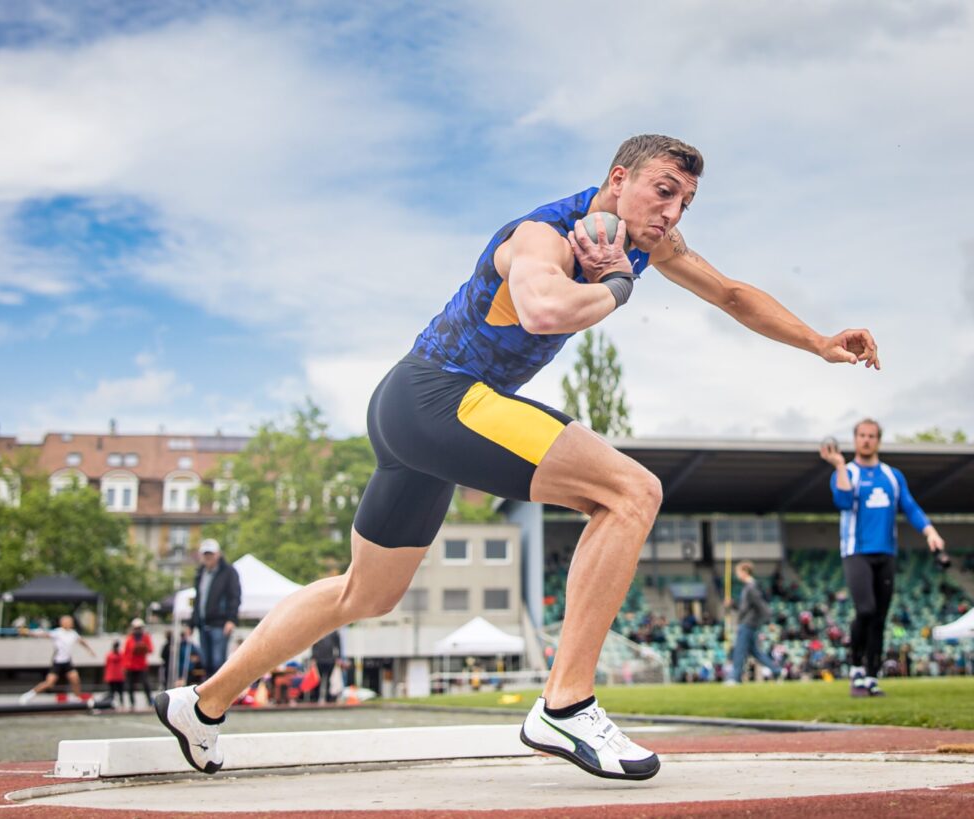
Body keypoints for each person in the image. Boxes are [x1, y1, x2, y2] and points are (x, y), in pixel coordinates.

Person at [156, 133, 880, 779]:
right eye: (664, 190)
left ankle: (201, 702)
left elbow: (729, 293)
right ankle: (566, 702)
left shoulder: (649, 242)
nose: (673, 213)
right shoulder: (543, 235)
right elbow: (541, 310)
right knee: (631, 493)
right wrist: (618, 285)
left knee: (363, 593)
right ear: (617, 178)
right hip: (436, 397)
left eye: (686, 202)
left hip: (417, 417)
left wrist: (817, 341)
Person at [820, 418, 946, 697]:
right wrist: (839, 465)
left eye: (872, 435)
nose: (866, 440)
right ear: (855, 440)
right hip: (856, 551)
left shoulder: (892, 476)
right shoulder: (847, 472)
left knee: (879, 616)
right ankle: (855, 667)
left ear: (878, 440)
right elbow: (842, 502)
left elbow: (910, 507)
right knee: (865, 609)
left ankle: (872, 675)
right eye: (862, 435)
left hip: (886, 552)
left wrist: (930, 532)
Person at [190, 539, 241, 680]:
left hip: (220, 623)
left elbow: (234, 597)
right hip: (202, 623)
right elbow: (198, 600)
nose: (208, 557)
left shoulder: (228, 572)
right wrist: (191, 623)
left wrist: (231, 619)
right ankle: (209, 696)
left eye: (210, 554)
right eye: (205, 554)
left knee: (218, 661)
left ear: (218, 554)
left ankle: (219, 694)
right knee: (206, 662)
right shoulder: (201, 574)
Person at [726, 562, 782, 684]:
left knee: (739, 651)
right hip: (749, 622)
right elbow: (744, 609)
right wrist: (732, 604)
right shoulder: (749, 587)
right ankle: (777, 670)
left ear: (745, 572)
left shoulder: (751, 587)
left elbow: (761, 604)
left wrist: (769, 620)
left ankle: (734, 678)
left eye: (738, 572)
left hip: (747, 623)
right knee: (756, 652)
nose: (737, 575)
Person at [19, 614, 95, 703]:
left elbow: (82, 641)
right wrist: (28, 632)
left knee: (75, 679)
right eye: (67, 621)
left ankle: (77, 697)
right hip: (58, 662)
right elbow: (43, 634)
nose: (70, 623)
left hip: (67, 661)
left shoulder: (73, 634)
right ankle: (28, 695)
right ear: (62, 623)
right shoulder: (58, 632)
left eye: (70, 622)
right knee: (49, 683)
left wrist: (90, 650)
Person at [122, 618, 155, 709]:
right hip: (131, 666)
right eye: (136, 628)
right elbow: (125, 653)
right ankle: (132, 703)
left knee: (146, 684)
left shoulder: (146, 638)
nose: (138, 630)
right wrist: (124, 666)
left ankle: (149, 702)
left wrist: (144, 648)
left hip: (142, 666)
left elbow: (151, 649)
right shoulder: (129, 639)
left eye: (139, 628)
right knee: (130, 686)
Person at [310, 629, 342, 704]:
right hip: (319, 659)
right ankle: (316, 698)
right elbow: (314, 645)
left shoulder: (334, 632)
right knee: (318, 680)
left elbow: (338, 645)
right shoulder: (318, 632)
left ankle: (328, 698)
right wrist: (313, 658)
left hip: (330, 659)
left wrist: (338, 657)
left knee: (328, 679)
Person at [98, 640, 126, 707]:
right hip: (112, 677)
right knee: (112, 693)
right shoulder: (109, 655)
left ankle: (122, 704)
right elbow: (106, 666)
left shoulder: (121, 654)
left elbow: (124, 664)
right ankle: (111, 704)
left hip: (119, 677)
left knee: (120, 692)